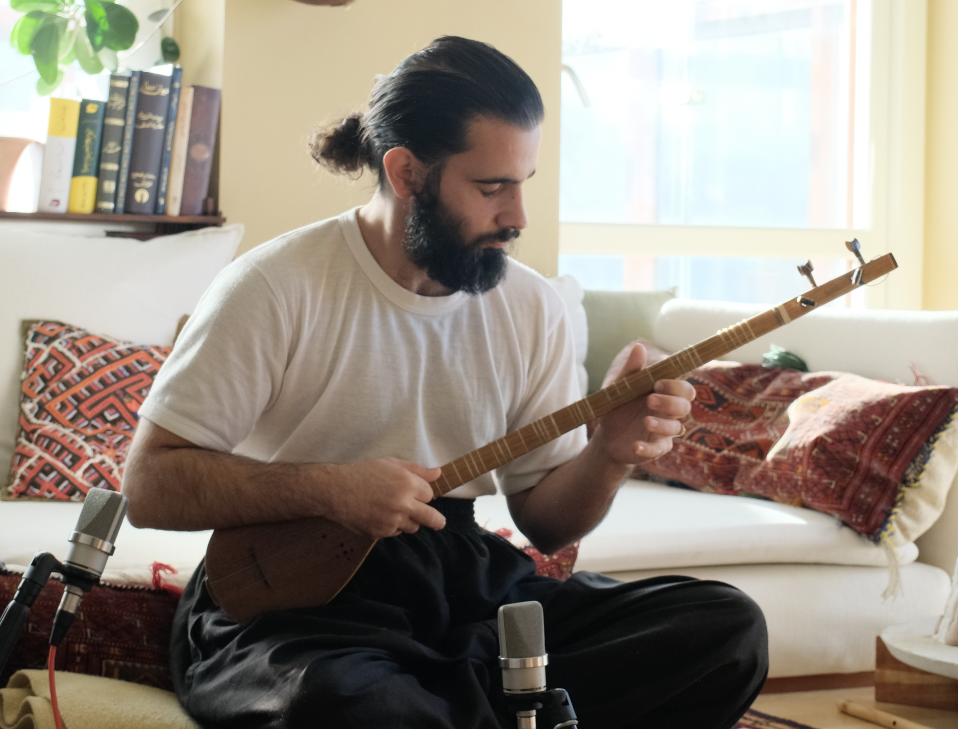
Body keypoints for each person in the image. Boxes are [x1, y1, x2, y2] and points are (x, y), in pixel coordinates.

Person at [122, 36, 768, 729]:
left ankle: (452, 710)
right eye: (491, 188)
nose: (518, 216)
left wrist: (608, 451)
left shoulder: (530, 304)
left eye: (523, 183)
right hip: (301, 601)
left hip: (464, 586)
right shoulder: (275, 286)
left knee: (724, 629)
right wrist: (329, 488)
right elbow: (149, 485)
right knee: (346, 701)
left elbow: (545, 524)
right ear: (405, 173)